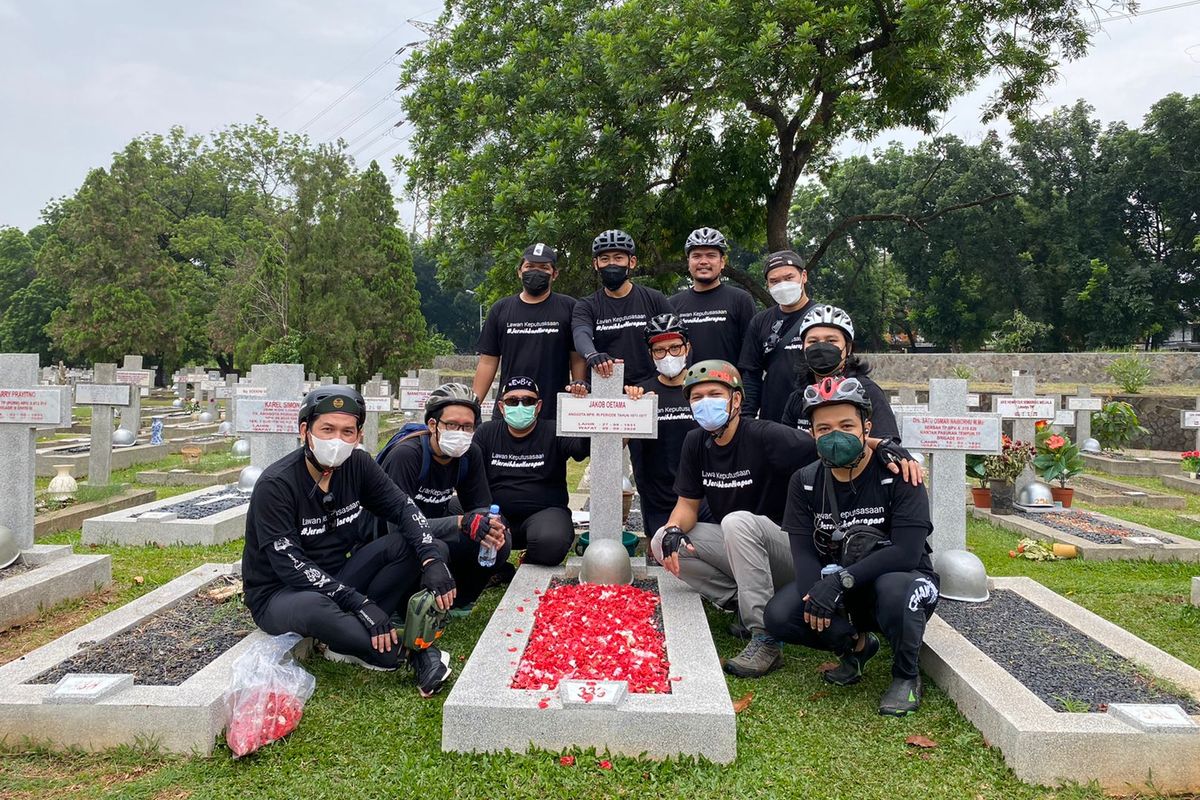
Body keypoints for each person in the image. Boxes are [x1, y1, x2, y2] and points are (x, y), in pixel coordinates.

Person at [241, 385, 457, 697]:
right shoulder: (277, 484)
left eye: (347, 432)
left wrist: (431, 558)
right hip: (284, 593)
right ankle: (412, 654)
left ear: (357, 436)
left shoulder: (358, 464)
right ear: (305, 430)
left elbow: (403, 507)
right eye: (327, 429)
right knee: (316, 608)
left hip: (340, 577)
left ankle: (349, 639)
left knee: (410, 546)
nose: (337, 440)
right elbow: (290, 565)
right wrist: (359, 602)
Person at [764, 377, 939, 716]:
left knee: (894, 590)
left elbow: (905, 551)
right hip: (844, 583)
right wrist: (818, 592)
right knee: (781, 615)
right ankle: (856, 648)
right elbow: (802, 553)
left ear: (866, 427)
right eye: (824, 428)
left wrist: (839, 581)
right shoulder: (804, 481)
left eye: (846, 425)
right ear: (812, 434)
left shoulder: (900, 474)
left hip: (904, 579)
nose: (835, 435)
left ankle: (906, 676)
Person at [649, 360, 817, 678]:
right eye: (696, 397)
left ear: (736, 399)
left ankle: (765, 638)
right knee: (663, 542)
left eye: (714, 393)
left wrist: (887, 448)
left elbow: (829, 446)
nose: (705, 403)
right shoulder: (696, 442)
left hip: (791, 553)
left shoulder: (766, 435)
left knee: (737, 521)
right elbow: (687, 505)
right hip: (743, 550)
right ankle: (743, 602)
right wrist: (673, 529)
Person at [373, 383, 510, 612]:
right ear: (433, 424)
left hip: (435, 523)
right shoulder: (407, 455)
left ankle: (459, 601)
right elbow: (396, 528)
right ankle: (402, 605)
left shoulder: (469, 454)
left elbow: (479, 506)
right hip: (391, 541)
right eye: (452, 425)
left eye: (467, 427)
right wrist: (460, 523)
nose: (460, 433)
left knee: (498, 540)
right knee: (436, 546)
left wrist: (491, 524)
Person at [779, 305, 916, 477]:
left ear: (848, 348)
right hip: (810, 486)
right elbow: (785, 446)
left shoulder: (867, 391)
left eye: (831, 341)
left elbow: (886, 445)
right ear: (803, 349)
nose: (821, 347)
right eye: (813, 342)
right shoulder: (798, 396)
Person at [473, 376, 589, 566]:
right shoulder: (486, 433)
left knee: (552, 542)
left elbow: (581, 449)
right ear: (502, 407)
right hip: (496, 514)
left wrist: (583, 407)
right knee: (455, 510)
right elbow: (471, 475)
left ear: (538, 406)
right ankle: (496, 567)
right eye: (512, 401)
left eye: (528, 401)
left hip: (545, 514)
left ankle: (529, 560)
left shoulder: (554, 430)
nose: (520, 406)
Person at [473, 243, 585, 420]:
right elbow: (487, 361)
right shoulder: (500, 309)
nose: (536, 271)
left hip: (555, 411)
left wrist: (579, 397)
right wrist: (473, 404)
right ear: (519, 271)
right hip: (509, 408)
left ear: (554, 274)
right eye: (530, 266)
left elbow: (577, 359)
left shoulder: (570, 308)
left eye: (544, 267)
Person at [624, 313, 708, 537]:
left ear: (687, 348)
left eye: (675, 348)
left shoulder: (704, 391)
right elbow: (617, 445)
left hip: (703, 499)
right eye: (659, 350)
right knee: (666, 558)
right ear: (650, 354)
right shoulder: (641, 396)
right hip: (657, 501)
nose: (668, 356)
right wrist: (629, 410)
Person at [571, 229, 672, 385]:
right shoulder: (586, 305)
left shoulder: (654, 298)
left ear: (631, 262)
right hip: (604, 388)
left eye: (618, 258)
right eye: (605, 259)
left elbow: (677, 337)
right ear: (596, 264)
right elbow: (580, 333)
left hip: (648, 387)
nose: (612, 264)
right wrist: (591, 354)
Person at [738, 250, 817, 422]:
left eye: (789, 278)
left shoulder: (823, 317)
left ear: (803, 276)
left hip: (815, 414)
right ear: (767, 284)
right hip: (773, 417)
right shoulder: (759, 322)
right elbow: (751, 375)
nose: (782, 285)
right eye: (774, 281)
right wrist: (747, 419)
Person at [668, 227, 756, 365]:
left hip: (729, 384)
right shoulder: (672, 304)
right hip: (685, 385)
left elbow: (751, 353)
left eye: (711, 255)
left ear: (722, 262)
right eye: (696, 256)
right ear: (688, 262)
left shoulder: (741, 299)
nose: (703, 261)